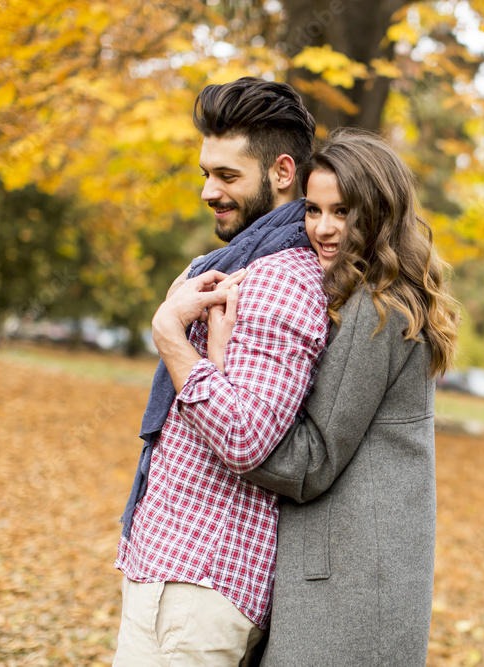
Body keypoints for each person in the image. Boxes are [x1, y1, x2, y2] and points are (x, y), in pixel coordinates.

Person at [209, 128, 461, 666]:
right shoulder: (383, 299)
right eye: (313, 210)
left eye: (342, 211)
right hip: (360, 574)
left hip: (346, 588)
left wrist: (215, 384)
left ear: (378, 214)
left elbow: (310, 461)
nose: (323, 229)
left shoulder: (376, 312)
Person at [112, 77, 327, 666]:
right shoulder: (234, 268)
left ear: (283, 172)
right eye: (206, 173)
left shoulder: (280, 280)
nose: (209, 191)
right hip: (178, 569)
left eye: (227, 177)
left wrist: (170, 340)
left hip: (198, 579)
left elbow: (246, 439)